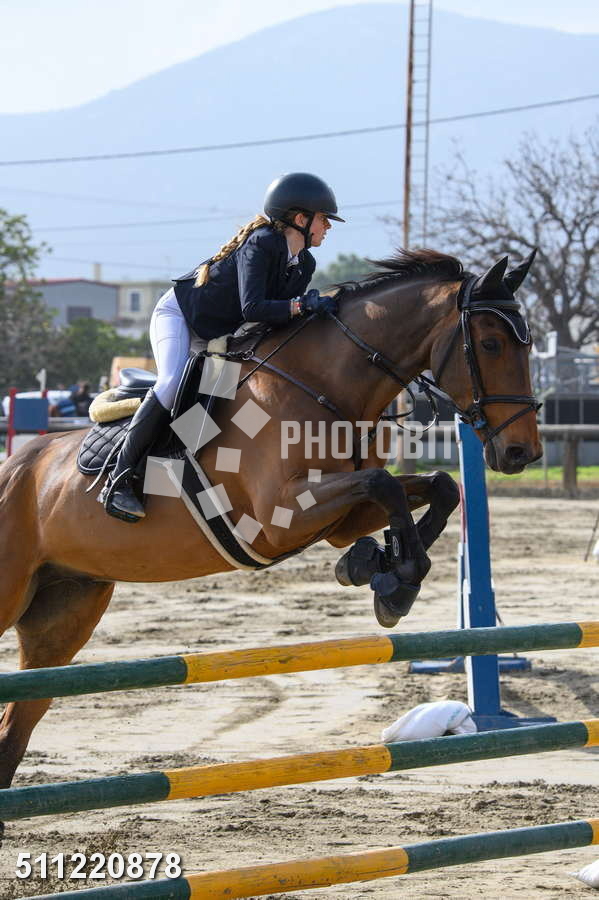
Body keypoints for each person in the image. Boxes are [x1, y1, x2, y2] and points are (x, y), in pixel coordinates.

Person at [99, 172, 345, 523]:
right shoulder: (262, 242)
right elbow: (253, 308)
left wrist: (313, 315)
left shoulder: (304, 263)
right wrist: (300, 306)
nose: (328, 226)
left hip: (220, 336)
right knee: (170, 384)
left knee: (218, 403)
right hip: (181, 316)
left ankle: (170, 472)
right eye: (324, 219)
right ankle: (119, 479)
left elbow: (277, 321)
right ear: (300, 219)